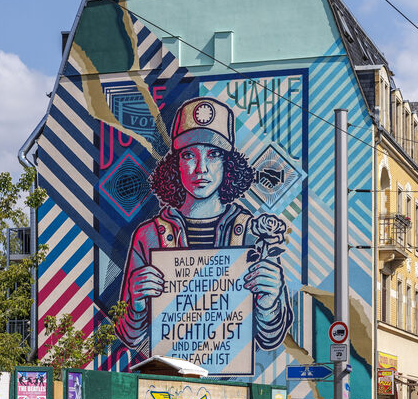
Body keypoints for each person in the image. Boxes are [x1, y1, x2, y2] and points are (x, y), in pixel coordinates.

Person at [116, 97, 293, 354]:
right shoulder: (149, 235)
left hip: (232, 384)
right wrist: (137, 306)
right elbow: (130, 337)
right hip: (166, 379)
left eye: (213, 154)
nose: (201, 168)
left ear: (228, 164)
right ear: (175, 164)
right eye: (189, 155)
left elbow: (270, 338)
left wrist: (269, 304)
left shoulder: (253, 235)